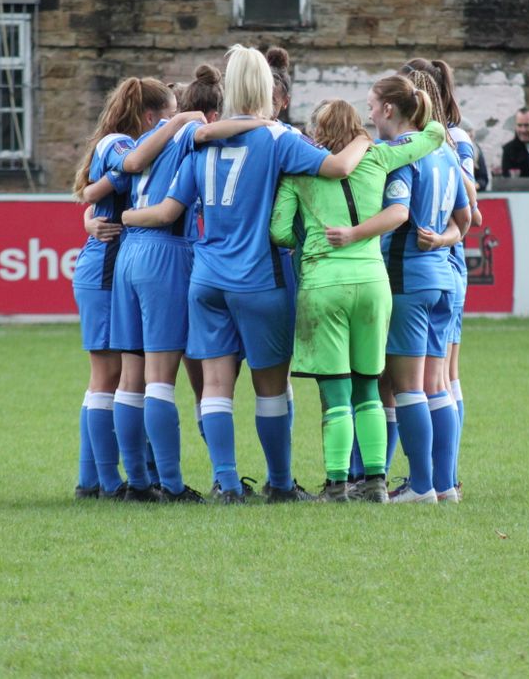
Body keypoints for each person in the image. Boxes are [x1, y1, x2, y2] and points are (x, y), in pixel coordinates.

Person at [122, 44, 370, 504]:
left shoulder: (205, 139)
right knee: (271, 387)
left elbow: (171, 209)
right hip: (261, 277)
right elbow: (336, 168)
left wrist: (125, 219)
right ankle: (279, 483)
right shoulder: (278, 138)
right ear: (268, 89)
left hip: (207, 279)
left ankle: (228, 483)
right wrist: (364, 138)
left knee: (214, 387)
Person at [104, 64, 274, 503]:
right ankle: (174, 485)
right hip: (165, 252)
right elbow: (201, 137)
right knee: (161, 379)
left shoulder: (139, 141)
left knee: (131, 375)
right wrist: (264, 123)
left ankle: (138, 483)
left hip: (129, 253)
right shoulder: (184, 131)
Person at [269, 98, 445, 502]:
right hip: (371, 281)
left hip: (323, 284)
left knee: (335, 391)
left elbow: (278, 230)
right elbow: (433, 136)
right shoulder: (380, 157)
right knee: (369, 385)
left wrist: (307, 240)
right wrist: (421, 105)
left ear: (318, 130)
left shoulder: (300, 171)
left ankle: (335, 484)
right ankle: (377, 482)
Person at [70, 77, 189, 501]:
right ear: (150, 117)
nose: (172, 122)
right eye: (168, 115)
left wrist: (90, 201)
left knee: (115, 376)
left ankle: (95, 481)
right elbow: (127, 168)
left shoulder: (122, 143)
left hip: (113, 262)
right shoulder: (120, 143)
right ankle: (105, 481)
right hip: (104, 266)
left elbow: (94, 192)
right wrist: (180, 125)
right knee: (107, 376)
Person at [401, 59, 482, 502]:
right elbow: (470, 210)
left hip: (432, 264)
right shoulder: (451, 143)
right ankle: (443, 480)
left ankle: (434, 479)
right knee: (442, 378)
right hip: (446, 262)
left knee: (430, 378)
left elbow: (472, 203)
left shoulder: (443, 144)